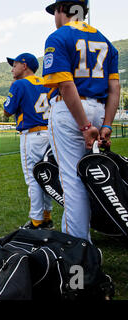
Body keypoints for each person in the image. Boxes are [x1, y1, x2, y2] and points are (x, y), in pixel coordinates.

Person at [42, 0, 120, 240]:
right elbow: (115, 87)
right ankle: (82, 240)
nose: (54, 16)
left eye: (55, 10)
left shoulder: (58, 37)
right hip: (98, 107)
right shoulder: (106, 41)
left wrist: (85, 126)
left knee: (72, 181)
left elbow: (66, 85)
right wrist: (106, 124)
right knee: (87, 178)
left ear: (61, 10)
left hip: (72, 110)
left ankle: (78, 250)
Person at [3, 53, 54, 230]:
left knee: (33, 179)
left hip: (31, 136)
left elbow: (7, 110)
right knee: (47, 176)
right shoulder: (47, 81)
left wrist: (12, 86)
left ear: (25, 66)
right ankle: (47, 216)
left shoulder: (19, 84)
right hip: (50, 135)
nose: (12, 69)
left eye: (15, 65)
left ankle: (36, 221)